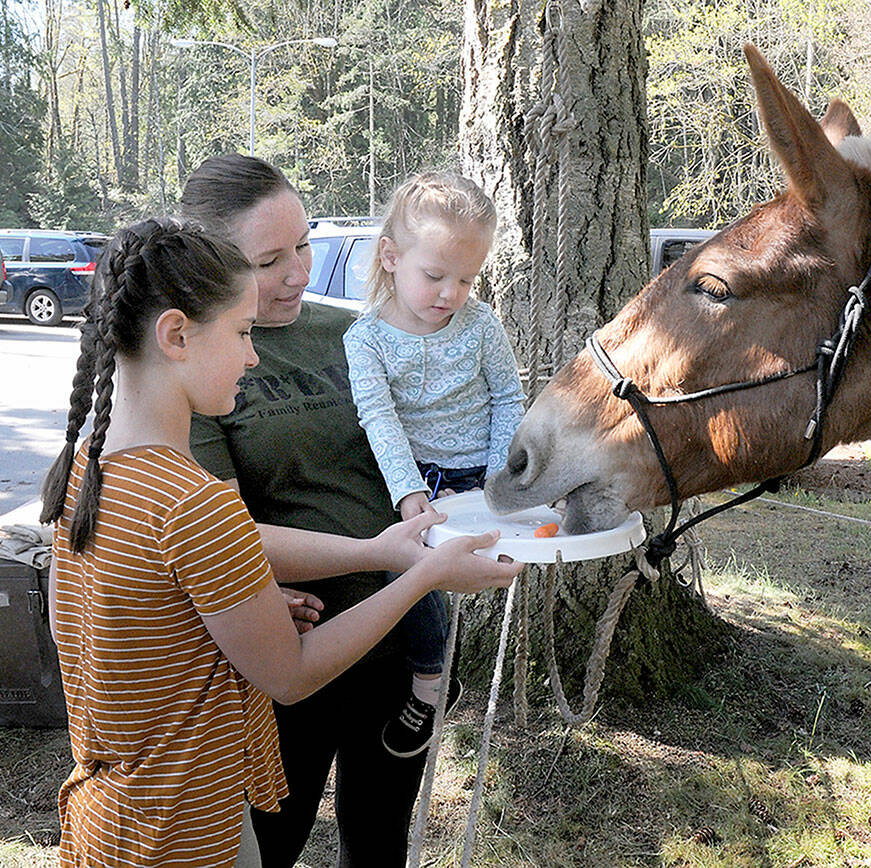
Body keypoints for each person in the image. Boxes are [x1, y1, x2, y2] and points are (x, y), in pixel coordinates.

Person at [41, 217, 520, 868]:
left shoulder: (88, 472)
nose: (253, 354)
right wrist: (424, 576)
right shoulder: (193, 502)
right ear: (176, 334)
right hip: (184, 834)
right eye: (241, 332)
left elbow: (159, 605)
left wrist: (376, 553)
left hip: (107, 821)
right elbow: (290, 676)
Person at [179, 155, 509, 867]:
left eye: (304, 244)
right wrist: (264, 588)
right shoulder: (204, 361)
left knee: (380, 837)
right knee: (274, 841)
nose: (301, 271)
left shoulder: (352, 330)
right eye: (271, 259)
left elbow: (446, 419)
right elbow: (213, 536)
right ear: (211, 263)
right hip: (291, 646)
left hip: (399, 629)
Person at [342, 171, 526, 757]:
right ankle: (429, 683)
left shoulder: (481, 324)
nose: (451, 293)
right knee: (410, 572)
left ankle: (453, 663)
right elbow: (380, 418)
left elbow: (507, 396)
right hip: (418, 476)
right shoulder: (365, 338)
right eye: (435, 275)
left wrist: (499, 474)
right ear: (392, 258)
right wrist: (407, 491)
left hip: (482, 473)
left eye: (467, 279)